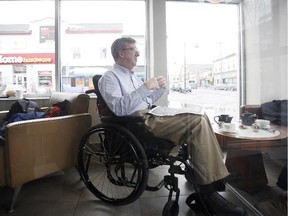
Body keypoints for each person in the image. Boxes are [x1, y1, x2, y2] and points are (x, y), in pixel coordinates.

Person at [98, 37, 248, 216]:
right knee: (197, 122)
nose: (138, 54)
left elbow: (145, 100)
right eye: (133, 49)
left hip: (150, 114)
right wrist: (146, 86)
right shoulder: (109, 77)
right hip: (136, 122)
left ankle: (213, 178)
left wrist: (160, 89)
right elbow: (120, 108)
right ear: (121, 53)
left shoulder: (132, 76)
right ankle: (208, 193)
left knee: (201, 114)